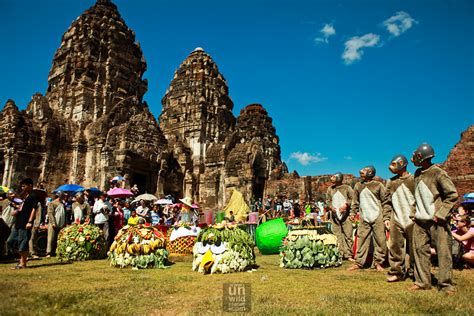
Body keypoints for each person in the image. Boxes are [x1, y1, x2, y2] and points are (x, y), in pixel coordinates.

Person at [408, 143, 458, 294]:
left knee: (443, 253)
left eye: (416, 156)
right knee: (419, 250)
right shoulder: (417, 174)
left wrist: (441, 213)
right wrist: (413, 213)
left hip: (437, 220)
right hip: (420, 220)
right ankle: (422, 282)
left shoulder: (438, 173)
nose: (413, 158)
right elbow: (417, 196)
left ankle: (446, 285)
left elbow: (452, 195)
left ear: (422, 156)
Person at [348, 166, 388, 272]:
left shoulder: (378, 185)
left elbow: (385, 201)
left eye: (365, 170)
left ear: (370, 172)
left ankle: (378, 262)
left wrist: (386, 216)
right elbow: (355, 201)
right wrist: (352, 212)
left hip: (377, 216)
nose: (361, 171)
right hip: (364, 217)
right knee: (362, 239)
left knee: (380, 240)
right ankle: (359, 262)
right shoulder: (358, 186)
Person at [384, 154, 416, 282]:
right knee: (395, 247)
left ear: (402, 164)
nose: (390, 167)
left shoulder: (413, 180)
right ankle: (397, 272)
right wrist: (386, 217)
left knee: (415, 248)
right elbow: (386, 202)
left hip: (413, 219)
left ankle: (415, 272)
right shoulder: (391, 182)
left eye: (394, 164)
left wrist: (416, 214)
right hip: (396, 218)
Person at [7, 178, 39, 269]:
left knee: (23, 243)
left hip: (25, 223)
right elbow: (22, 207)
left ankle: (23, 263)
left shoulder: (33, 195)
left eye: (24, 185)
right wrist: (16, 210)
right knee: (10, 241)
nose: (22, 187)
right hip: (18, 222)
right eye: (21, 186)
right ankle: (22, 259)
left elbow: (34, 209)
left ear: (30, 185)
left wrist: (30, 222)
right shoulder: (25, 196)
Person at [326, 172, 354, 261]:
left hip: (346, 215)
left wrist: (346, 205)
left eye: (334, 177)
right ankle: (340, 253)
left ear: (339, 178)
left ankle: (348, 254)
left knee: (348, 234)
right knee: (337, 234)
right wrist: (331, 207)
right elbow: (328, 200)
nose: (332, 178)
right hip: (334, 215)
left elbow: (352, 199)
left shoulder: (347, 188)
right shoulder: (330, 189)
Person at [46, 191, 66, 257]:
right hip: (53, 223)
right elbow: (50, 213)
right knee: (51, 238)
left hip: (61, 223)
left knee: (58, 238)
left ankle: (55, 251)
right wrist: (53, 222)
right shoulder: (52, 203)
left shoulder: (62, 204)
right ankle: (48, 252)